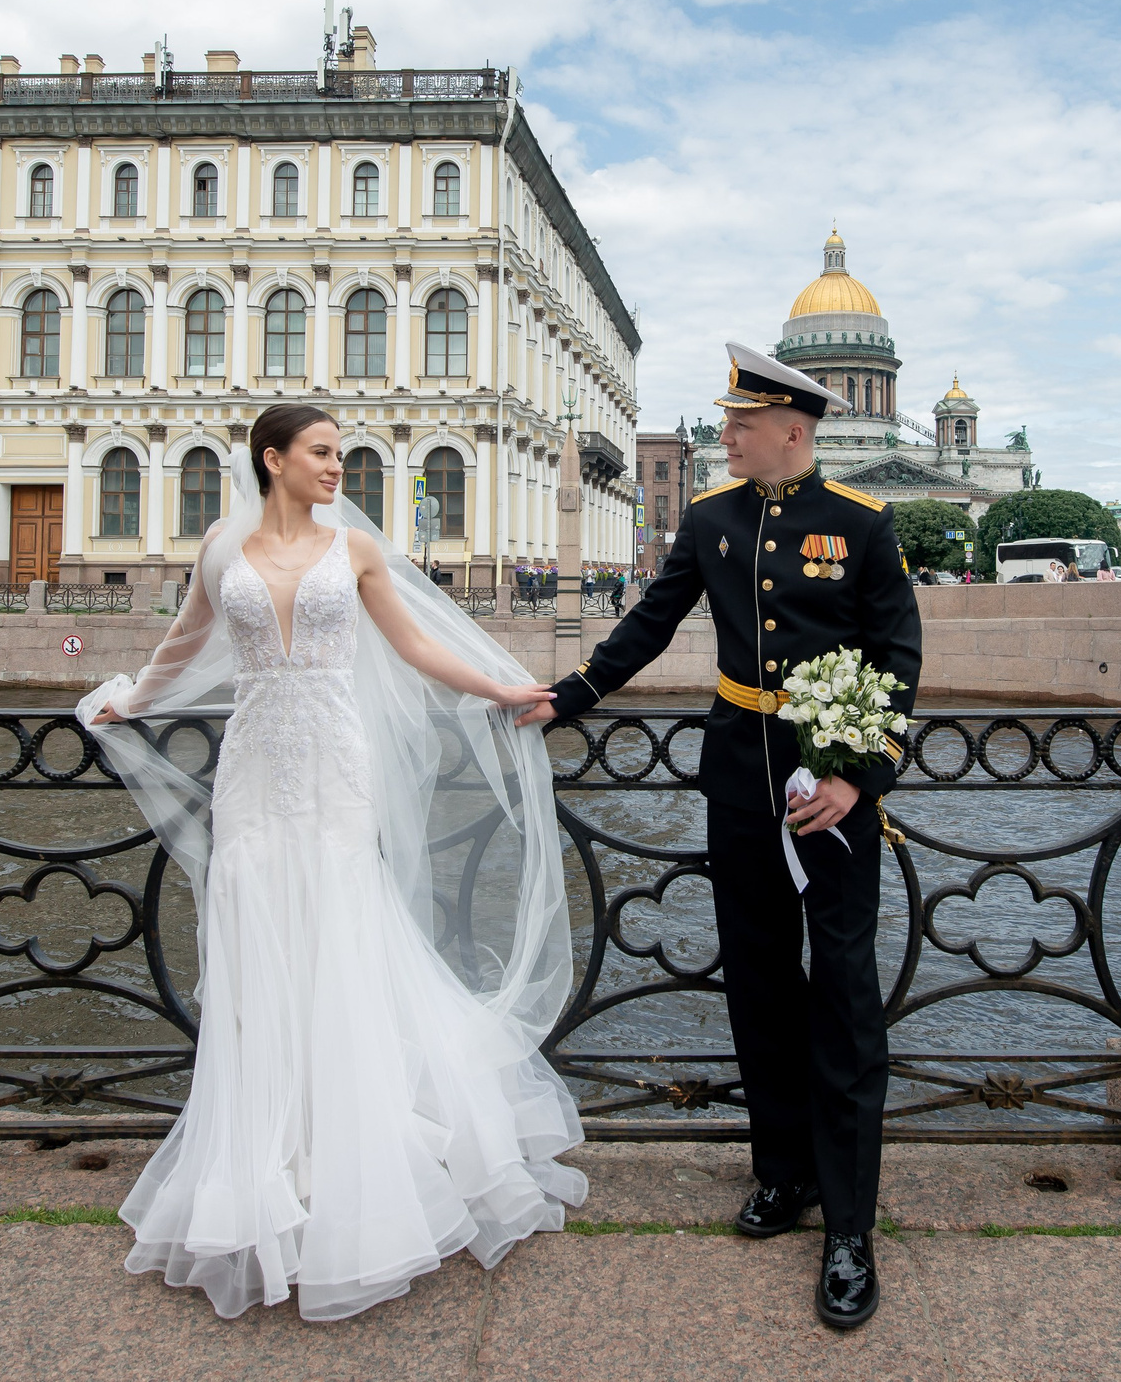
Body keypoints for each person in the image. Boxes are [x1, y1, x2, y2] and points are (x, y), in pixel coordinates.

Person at [80, 405, 582, 1320]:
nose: (337, 466)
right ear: (273, 461)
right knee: (258, 939)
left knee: (340, 937)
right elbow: (184, 643)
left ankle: (349, 1157)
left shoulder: (354, 551)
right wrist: (131, 701)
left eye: (341, 453)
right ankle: (269, 1157)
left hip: (333, 767)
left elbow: (417, 644)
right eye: (321, 452)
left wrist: (505, 682)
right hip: (255, 765)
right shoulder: (220, 548)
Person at [520, 342, 922, 1331]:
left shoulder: (862, 525)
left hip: (827, 787)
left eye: (739, 423)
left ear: (793, 429)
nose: (724, 435)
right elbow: (649, 624)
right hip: (741, 774)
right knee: (756, 984)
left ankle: (850, 1226)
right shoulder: (710, 520)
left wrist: (854, 775)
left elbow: (898, 657)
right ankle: (781, 1173)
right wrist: (568, 695)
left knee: (842, 994)